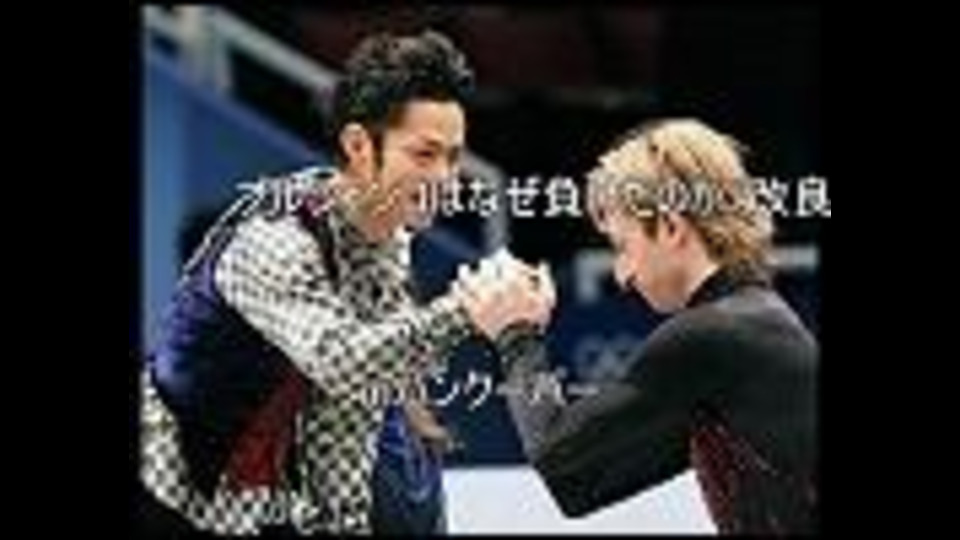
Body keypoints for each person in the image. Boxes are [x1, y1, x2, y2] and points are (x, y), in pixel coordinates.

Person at [138, 30, 543, 535]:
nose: (445, 178)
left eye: (454, 157)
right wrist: (469, 307)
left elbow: (348, 424)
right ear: (357, 146)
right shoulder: (275, 240)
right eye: (424, 155)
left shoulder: (384, 237)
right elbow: (344, 364)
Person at [487, 119, 819, 534]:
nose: (622, 275)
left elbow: (561, 462)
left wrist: (516, 336)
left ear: (671, 227)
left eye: (623, 247)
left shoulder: (713, 335)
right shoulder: (750, 324)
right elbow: (581, 487)